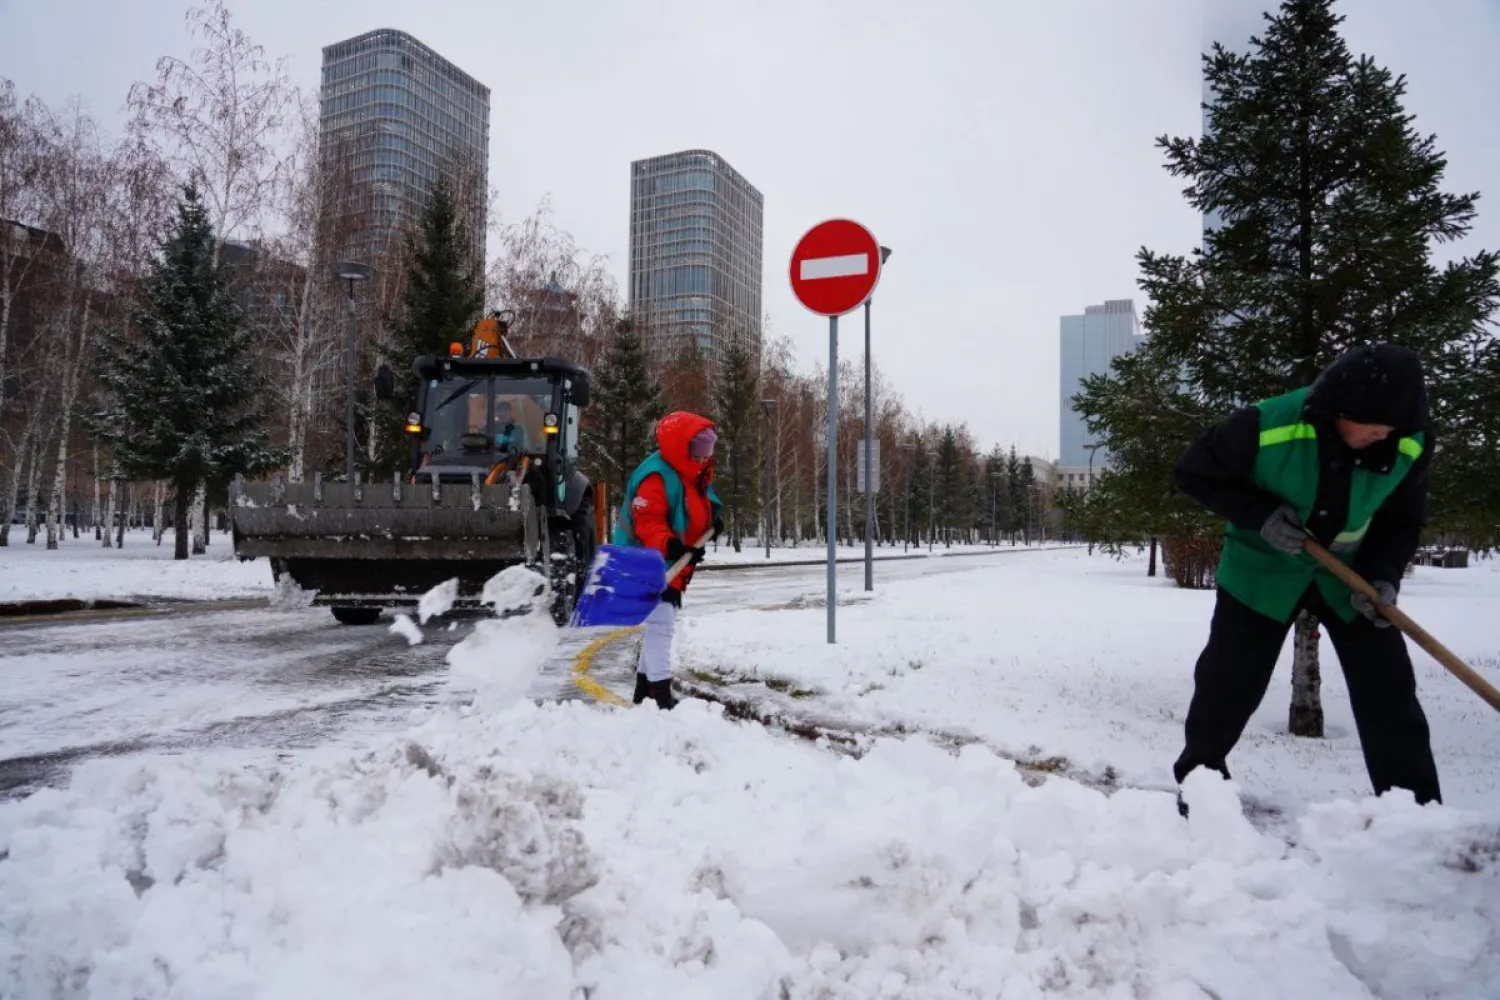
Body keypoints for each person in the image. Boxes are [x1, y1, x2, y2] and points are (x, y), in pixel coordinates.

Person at [1171, 343, 1441, 811]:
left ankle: (1416, 813)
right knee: (1227, 683)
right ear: (1340, 409)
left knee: (1389, 689)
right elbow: (1194, 473)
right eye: (1372, 425)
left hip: (1350, 578)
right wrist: (1260, 514)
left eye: (1390, 428)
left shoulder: (1408, 440)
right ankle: (1201, 785)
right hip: (1263, 568)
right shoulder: (1265, 424)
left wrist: (1382, 576)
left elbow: (1402, 518)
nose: (1382, 435)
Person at [612, 411, 724, 709]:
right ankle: (660, 694)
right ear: (680, 447)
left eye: (708, 451)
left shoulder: (690, 472)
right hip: (645, 559)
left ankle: (643, 690)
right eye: (699, 451)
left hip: (670, 560)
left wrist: (715, 519)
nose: (704, 458)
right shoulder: (656, 475)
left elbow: (701, 500)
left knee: (662, 621)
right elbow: (647, 521)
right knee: (661, 624)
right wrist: (672, 545)